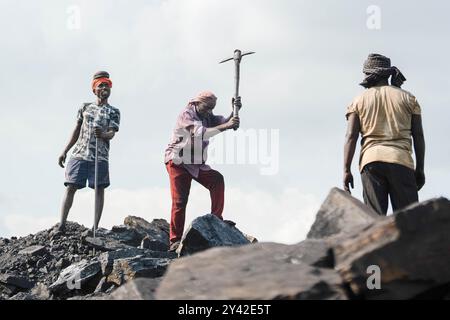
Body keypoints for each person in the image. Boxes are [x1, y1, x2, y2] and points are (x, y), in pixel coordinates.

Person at [343, 54, 425, 215]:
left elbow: (351, 137)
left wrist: (346, 170)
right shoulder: (408, 98)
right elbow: (418, 135)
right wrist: (420, 168)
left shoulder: (358, 101)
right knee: (408, 219)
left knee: (374, 218)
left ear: (370, 74)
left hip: (371, 161)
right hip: (401, 160)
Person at [164, 91, 241, 251]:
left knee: (217, 180)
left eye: (211, 109)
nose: (208, 112)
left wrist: (235, 111)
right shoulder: (187, 114)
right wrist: (226, 126)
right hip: (178, 160)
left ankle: (216, 219)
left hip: (195, 162)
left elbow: (222, 122)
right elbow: (201, 133)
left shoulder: (207, 115)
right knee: (180, 201)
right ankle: (175, 240)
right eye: (206, 108)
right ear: (197, 103)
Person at [55, 71, 120, 234]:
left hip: (100, 156)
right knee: (70, 186)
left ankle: (95, 227)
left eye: (107, 85)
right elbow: (76, 130)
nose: (105, 87)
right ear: (94, 90)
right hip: (80, 153)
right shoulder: (84, 107)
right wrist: (65, 150)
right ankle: (61, 224)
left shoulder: (113, 111)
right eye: (101, 85)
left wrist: (103, 134)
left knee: (99, 189)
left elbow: (112, 133)